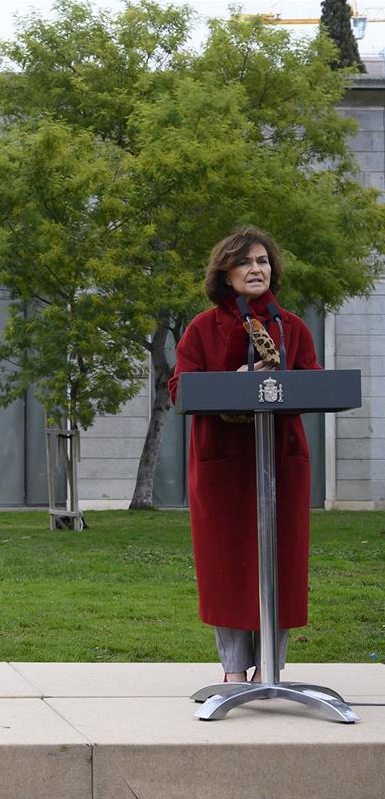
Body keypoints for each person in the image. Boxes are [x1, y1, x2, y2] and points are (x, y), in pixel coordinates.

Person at [168, 226, 320, 683]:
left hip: (280, 461)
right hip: (224, 463)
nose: (257, 269)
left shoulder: (290, 325)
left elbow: (314, 381)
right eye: (246, 263)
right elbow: (180, 388)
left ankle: (270, 670)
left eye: (263, 262)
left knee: (282, 562)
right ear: (226, 273)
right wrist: (236, 381)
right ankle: (234, 672)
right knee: (227, 563)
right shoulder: (202, 327)